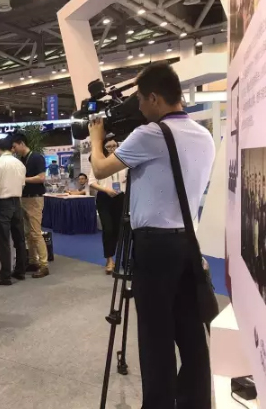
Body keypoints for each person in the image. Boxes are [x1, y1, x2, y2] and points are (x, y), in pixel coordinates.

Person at [88, 62, 215, 409]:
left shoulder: (150, 135)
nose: (140, 108)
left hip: (155, 248)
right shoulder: (203, 136)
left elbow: (100, 168)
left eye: (142, 100)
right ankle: (195, 403)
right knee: (190, 333)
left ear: (155, 98)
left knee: (155, 336)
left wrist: (96, 138)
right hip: (188, 243)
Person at [0, 138, 28, 285]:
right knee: (19, 239)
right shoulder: (20, 164)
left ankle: (5, 276)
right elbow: (22, 185)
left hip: (3, 203)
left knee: (3, 240)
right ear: (11, 148)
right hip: (17, 202)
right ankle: (20, 271)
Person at [11, 133, 49, 278]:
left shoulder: (37, 157)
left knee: (35, 232)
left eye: (15, 146)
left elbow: (41, 178)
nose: (14, 150)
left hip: (34, 198)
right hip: (23, 198)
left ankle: (44, 265)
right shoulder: (21, 160)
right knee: (28, 233)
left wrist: (22, 179)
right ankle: (33, 261)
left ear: (22, 143)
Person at [89, 140, 127, 274]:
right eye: (108, 146)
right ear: (104, 148)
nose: (112, 148)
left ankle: (120, 258)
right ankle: (109, 260)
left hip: (120, 198)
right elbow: (91, 182)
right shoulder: (100, 163)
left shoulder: (123, 162)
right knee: (108, 229)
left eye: (114, 146)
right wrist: (106, 190)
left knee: (119, 230)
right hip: (104, 198)